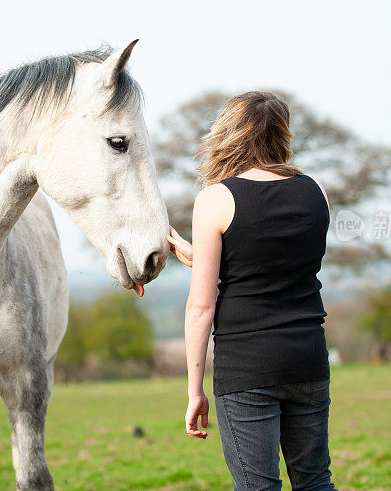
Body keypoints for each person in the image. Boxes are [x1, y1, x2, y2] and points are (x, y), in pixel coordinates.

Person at [166, 91, 336, 490]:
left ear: (230, 133)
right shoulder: (317, 193)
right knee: (315, 481)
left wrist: (195, 390)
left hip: (248, 369)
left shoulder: (215, 199)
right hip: (308, 360)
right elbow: (276, 261)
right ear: (282, 133)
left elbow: (200, 306)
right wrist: (197, 255)